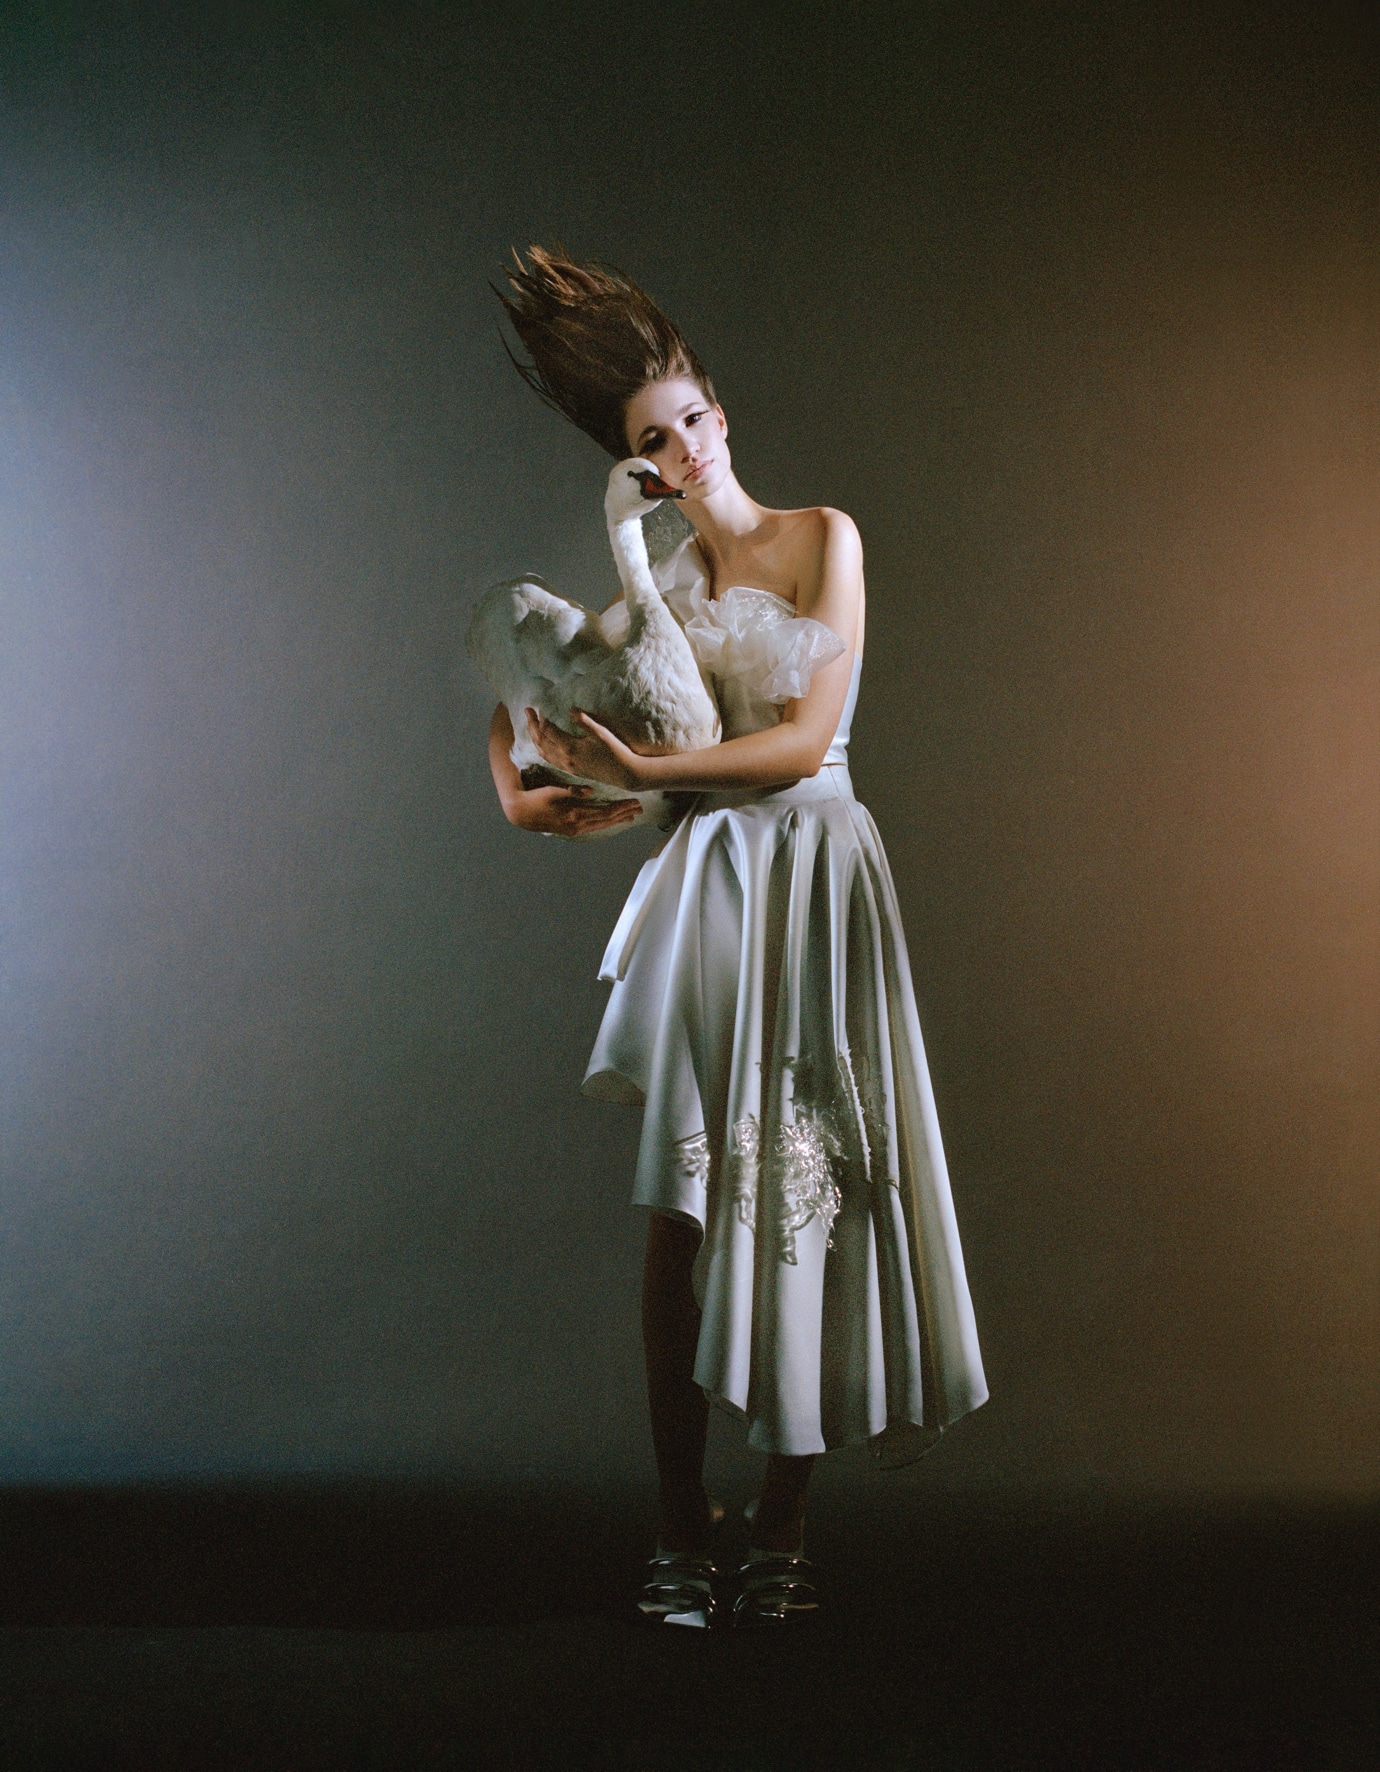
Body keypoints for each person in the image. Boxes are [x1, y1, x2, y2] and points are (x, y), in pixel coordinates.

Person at [485, 247, 987, 1626]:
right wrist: (524, 787)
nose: (685, 449)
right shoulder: (651, 574)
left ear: (722, 411)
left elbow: (808, 739)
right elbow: (526, 688)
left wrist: (647, 783)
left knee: (807, 1201)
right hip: (710, 889)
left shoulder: (826, 537)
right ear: (632, 463)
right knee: (683, 1220)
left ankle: (780, 1529)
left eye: (693, 417)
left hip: (815, 876)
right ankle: (674, 1529)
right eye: (654, 440)